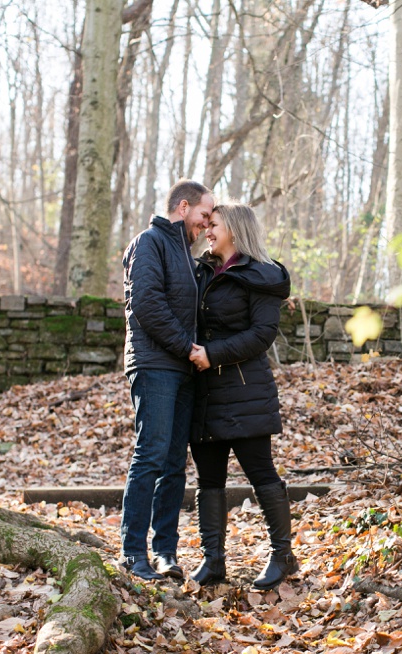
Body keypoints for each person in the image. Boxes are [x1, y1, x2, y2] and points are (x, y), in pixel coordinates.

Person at [187, 203, 297, 590]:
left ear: (234, 229)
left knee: (260, 472)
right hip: (204, 393)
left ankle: (283, 556)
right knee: (209, 478)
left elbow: (261, 335)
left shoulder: (260, 276)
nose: (207, 230)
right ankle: (213, 561)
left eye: (214, 225)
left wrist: (212, 354)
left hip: (245, 390)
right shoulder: (201, 271)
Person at [120, 179, 215, 581]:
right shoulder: (150, 242)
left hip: (183, 370)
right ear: (182, 207)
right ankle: (132, 553)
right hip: (155, 365)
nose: (206, 225)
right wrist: (187, 348)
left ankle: (164, 553)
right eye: (204, 215)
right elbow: (146, 304)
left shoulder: (187, 255)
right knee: (151, 455)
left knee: (175, 463)